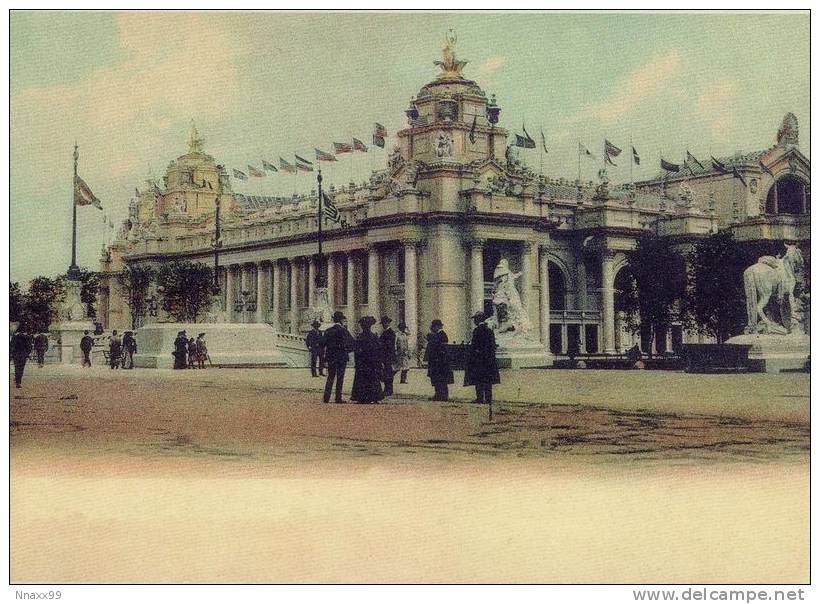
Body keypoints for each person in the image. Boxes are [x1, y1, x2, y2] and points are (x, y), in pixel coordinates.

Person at [464, 311, 500, 404]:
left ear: (478, 319)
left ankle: (480, 398)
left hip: (479, 360)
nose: (474, 321)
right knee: (488, 381)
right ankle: (488, 399)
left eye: (475, 319)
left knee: (478, 380)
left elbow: (474, 346)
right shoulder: (489, 330)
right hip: (489, 360)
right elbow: (492, 345)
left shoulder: (477, 330)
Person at [351, 316, 384, 404]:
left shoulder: (360, 337)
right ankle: (374, 396)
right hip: (371, 363)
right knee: (372, 379)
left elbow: (356, 351)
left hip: (362, 363)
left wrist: (357, 362)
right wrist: (378, 362)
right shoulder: (374, 336)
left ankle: (362, 397)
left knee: (362, 379)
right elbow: (378, 351)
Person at [321, 311, 352, 403]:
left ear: (334, 320)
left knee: (330, 377)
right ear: (341, 320)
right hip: (342, 357)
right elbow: (352, 343)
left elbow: (322, 344)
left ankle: (326, 397)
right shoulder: (344, 331)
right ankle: (338, 398)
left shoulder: (328, 331)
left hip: (331, 357)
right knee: (340, 377)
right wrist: (346, 350)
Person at [426, 319, 453, 401]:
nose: (431, 328)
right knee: (438, 379)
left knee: (440, 379)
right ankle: (439, 394)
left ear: (437, 326)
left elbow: (437, 346)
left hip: (439, 362)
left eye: (433, 327)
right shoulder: (439, 334)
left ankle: (442, 395)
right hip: (438, 361)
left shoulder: (441, 334)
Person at [378, 316, 398, 396]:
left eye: (385, 323)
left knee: (388, 373)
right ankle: (388, 389)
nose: (383, 324)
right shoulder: (386, 332)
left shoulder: (390, 332)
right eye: (383, 323)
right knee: (386, 373)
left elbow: (389, 345)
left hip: (387, 356)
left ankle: (389, 390)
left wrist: (380, 344)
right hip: (386, 356)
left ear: (388, 323)